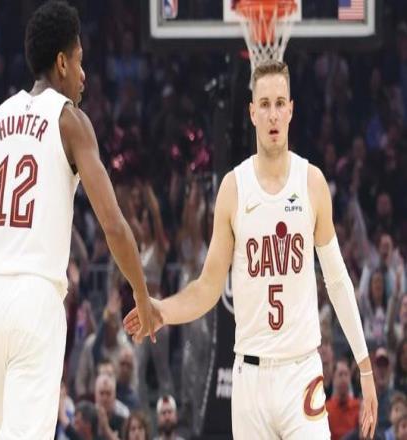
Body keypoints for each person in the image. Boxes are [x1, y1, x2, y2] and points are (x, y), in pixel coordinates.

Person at [0, 2, 156, 438]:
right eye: (80, 61)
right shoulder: (71, 122)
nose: (84, 74)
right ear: (62, 62)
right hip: (36, 301)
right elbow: (113, 224)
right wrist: (142, 295)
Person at [124, 60, 378, 439]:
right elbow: (208, 287)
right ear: (252, 112)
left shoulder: (311, 183)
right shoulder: (233, 187)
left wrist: (365, 367)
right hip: (250, 379)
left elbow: (338, 280)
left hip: (301, 373)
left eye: (280, 103)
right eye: (265, 104)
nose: (273, 114)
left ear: (291, 110)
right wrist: (164, 311)